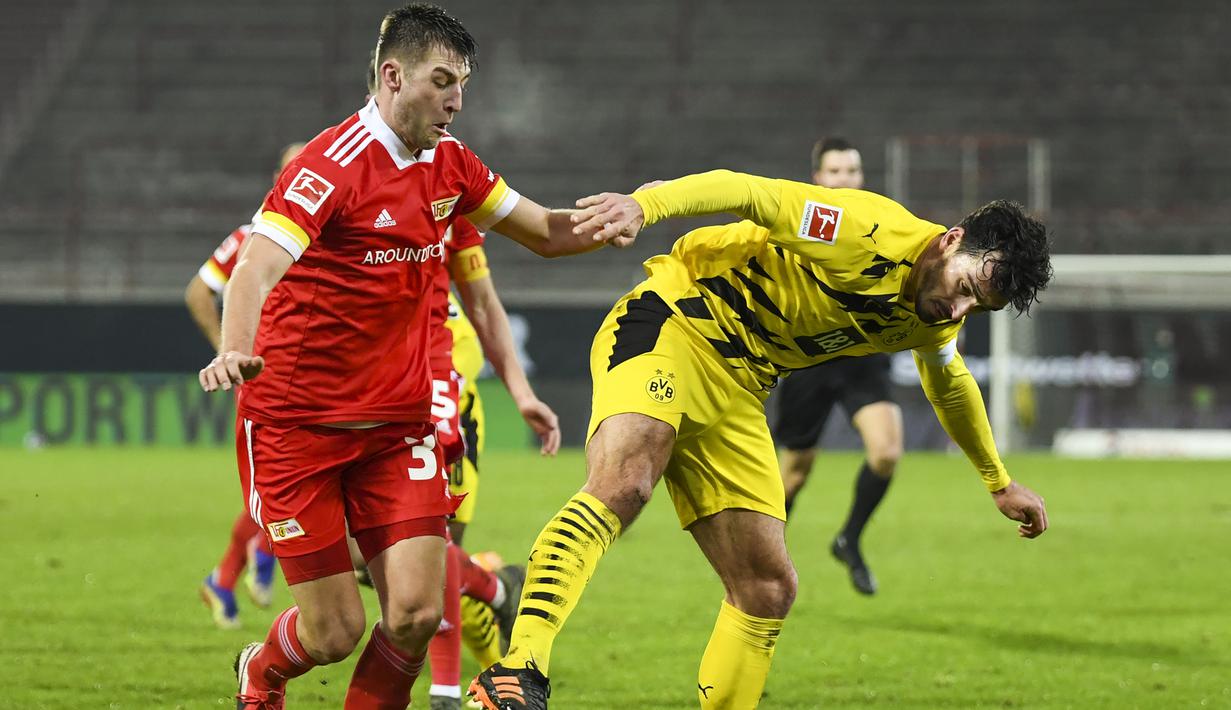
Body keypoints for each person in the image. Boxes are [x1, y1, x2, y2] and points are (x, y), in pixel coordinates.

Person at [470, 169, 1052, 709]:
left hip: (742, 384)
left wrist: (998, 482)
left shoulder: (939, 313)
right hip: (675, 321)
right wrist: (642, 206)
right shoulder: (863, 230)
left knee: (767, 588)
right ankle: (517, 670)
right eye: (967, 287)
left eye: (979, 306)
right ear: (952, 241)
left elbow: (949, 384)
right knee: (626, 482)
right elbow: (744, 190)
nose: (960, 308)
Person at [198, 5, 614, 709]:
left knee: (417, 614)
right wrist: (236, 348)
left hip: (398, 426)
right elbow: (254, 269)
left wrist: (625, 213)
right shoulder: (330, 165)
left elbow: (544, 230)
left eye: (463, 84)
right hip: (300, 425)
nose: (456, 99)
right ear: (392, 77)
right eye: (442, 80)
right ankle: (261, 673)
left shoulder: (451, 165)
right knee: (335, 631)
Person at [424, 217, 561, 710]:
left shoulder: (441, 218)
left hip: (447, 414)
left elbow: (481, 307)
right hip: (385, 407)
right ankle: (498, 589)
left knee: (429, 551)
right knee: (376, 564)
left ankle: (448, 689)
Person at [773, 136, 902, 595]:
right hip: (810, 356)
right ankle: (763, 558)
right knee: (794, 472)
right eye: (835, 172)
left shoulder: (882, 221)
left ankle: (850, 538)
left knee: (886, 452)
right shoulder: (802, 221)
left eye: (851, 171)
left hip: (863, 356)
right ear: (818, 178)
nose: (844, 179)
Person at [188, 143, 304, 628]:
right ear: (278, 178)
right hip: (269, 383)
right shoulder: (251, 239)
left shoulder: (335, 236)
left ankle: (235, 570)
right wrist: (228, 350)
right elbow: (198, 292)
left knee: (289, 491)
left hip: (315, 382)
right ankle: (254, 556)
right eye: (293, 170)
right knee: (282, 492)